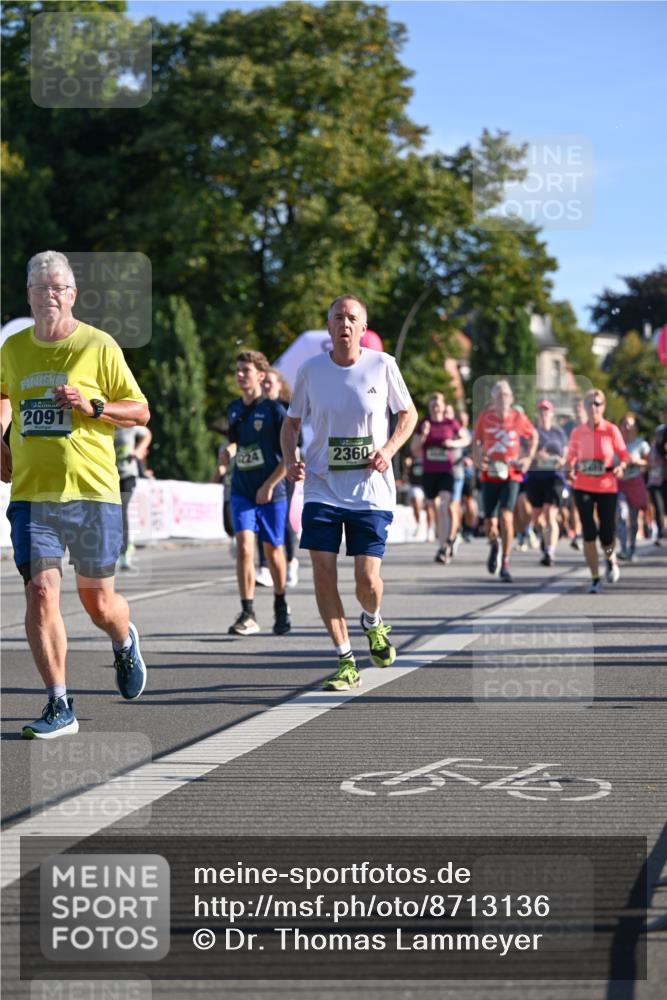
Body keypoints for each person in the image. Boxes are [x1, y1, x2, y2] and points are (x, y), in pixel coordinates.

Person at [0, 250, 149, 739]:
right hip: (32, 494)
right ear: (28, 295)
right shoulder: (13, 349)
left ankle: (124, 639)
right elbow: (4, 396)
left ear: (72, 295)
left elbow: (141, 411)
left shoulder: (99, 346)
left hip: (92, 493)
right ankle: (59, 703)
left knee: (98, 603)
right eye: (40, 288)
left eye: (58, 288)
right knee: (41, 594)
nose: (49, 296)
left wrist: (94, 405)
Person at [281, 294, 417, 691]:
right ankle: (344, 660)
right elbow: (290, 425)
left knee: (367, 580)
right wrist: (292, 461)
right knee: (322, 573)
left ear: (362, 327)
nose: (344, 323)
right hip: (322, 486)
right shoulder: (310, 371)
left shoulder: (383, 365)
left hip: (371, 490)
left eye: (352, 318)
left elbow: (408, 414)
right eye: (338, 317)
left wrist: (388, 451)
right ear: (328, 327)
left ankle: (373, 621)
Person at [218, 350, 291, 636]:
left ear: (260, 376)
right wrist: (228, 451)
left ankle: (280, 603)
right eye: (237, 370)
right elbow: (236, 443)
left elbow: (289, 455)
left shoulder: (275, 411)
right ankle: (247, 612)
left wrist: (270, 485)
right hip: (242, 490)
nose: (239, 375)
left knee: (273, 551)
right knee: (245, 547)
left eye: (245, 371)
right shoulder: (233, 408)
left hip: (272, 491)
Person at [564, 389, 630, 593]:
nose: (594, 407)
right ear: (585, 407)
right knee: (589, 533)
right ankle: (595, 577)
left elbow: (624, 455)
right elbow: (570, 458)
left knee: (607, 535)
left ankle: (611, 559)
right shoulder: (577, 432)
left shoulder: (611, 430)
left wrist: (621, 467)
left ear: (603, 406)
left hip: (607, 486)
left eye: (598, 404)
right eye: (590, 404)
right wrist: (570, 470)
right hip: (583, 485)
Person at [472, 380, 538, 583]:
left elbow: (533, 435)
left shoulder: (518, 417)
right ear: (493, 399)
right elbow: (476, 440)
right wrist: (477, 458)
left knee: (507, 516)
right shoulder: (485, 417)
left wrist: (527, 457)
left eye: (507, 395)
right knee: (490, 524)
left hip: (512, 473)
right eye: (499, 395)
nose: (503, 399)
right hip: (490, 473)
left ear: (512, 399)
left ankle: (506, 561)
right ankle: (494, 545)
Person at [410, 394, 467, 564]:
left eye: (438, 404)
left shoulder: (450, 423)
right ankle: (443, 543)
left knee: (444, 505)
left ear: (443, 407)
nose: (436, 407)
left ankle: (444, 547)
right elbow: (414, 449)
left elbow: (466, 438)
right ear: (430, 407)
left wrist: (452, 444)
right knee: (433, 507)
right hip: (429, 472)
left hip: (446, 471)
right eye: (433, 404)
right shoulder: (424, 424)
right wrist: (424, 435)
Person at [256, 367, 299, 588]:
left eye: (270, 382)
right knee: (260, 519)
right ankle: (263, 566)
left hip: (284, 472)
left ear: (279, 385)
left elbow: (296, 445)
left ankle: (290, 562)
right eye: (263, 383)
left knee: (283, 522)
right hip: (261, 473)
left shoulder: (286, 410)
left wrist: (293, 467)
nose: (266, 386)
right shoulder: (255, 410)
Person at [526, 399, 567, 566]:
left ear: (552, 413)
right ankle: (544, 538)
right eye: (541, 411)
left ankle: (550, 552)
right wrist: (537, 456)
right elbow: (525, 453)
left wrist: (559, 460)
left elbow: (566, 453)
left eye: (546, 411)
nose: (544, 414)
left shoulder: (559, 432)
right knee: (537, 517)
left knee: (550, 513)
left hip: (554, 477)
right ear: (537, 414)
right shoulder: (532, 432)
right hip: (536, 477)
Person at [114, 423, 152, 570]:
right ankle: (118, 548)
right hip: (110, 477)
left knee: (121, 509)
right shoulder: (105, 426)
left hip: (128, 475)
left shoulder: (128, 426)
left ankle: (124, 553)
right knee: (111, 513)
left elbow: (147, 434)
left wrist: (139, 449)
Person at [616, 413, 650, 561]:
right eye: (625, 424)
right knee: (621, 514)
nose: (628, 427)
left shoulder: (641, 444)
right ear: (620, 426)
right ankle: (623, 548)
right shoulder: (615, 444)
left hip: (635, 483)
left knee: (634, 519)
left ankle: (633, 548)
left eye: (631, 424)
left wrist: (638, 461)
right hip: (620, 484)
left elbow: (650, 463)